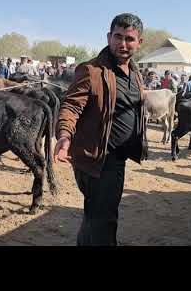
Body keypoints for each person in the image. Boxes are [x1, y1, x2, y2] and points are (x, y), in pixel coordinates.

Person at [54, 13, 147, 246]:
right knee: (105, 219)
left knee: (95, 214)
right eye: (117, 37)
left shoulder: (135, 74)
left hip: (118, 158)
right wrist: (65, 136)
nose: (122, 44)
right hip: (97, 158)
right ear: (108, 36)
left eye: (129, 39)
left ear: (139, 42)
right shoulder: (91, 70)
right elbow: (71, 105)